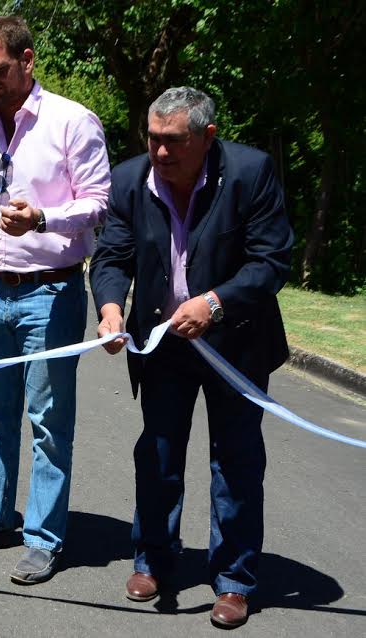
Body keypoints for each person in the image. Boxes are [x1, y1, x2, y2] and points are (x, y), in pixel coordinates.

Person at [89, 87, 293, 628]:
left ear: (206, 137)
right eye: (152, 139)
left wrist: (214, 303)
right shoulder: (130, 178)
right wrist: (111, 309)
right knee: (156, 455)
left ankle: (234, 580)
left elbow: (272, 260)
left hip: (236, 346)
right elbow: (111, 255)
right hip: (162, 346)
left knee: (236, 460)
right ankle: (153, 559)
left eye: (172, 141)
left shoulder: (250, 173)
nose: (159, 152)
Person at [0, 16, 111, 586]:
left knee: (48, 420)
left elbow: (99, 203)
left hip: (52, 291)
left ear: (28, 60)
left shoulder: (71, 121)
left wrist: (43, 217)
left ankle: (43, 537)